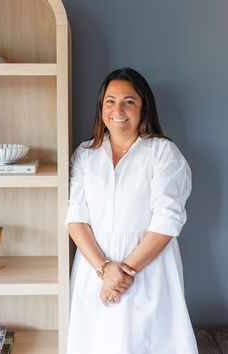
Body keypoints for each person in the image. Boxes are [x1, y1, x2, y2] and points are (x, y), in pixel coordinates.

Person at [66, 68, 198, 354]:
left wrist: (122, 274)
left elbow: (167, 220)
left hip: (148, 269)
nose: (118, 110)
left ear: (143, 107)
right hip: (94, 268)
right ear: (101, 108)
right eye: (110, 101)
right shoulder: (85, 154)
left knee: (146, 343)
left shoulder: (163, 153)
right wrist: (104, 270)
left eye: (129, 101)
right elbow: (76, 218)